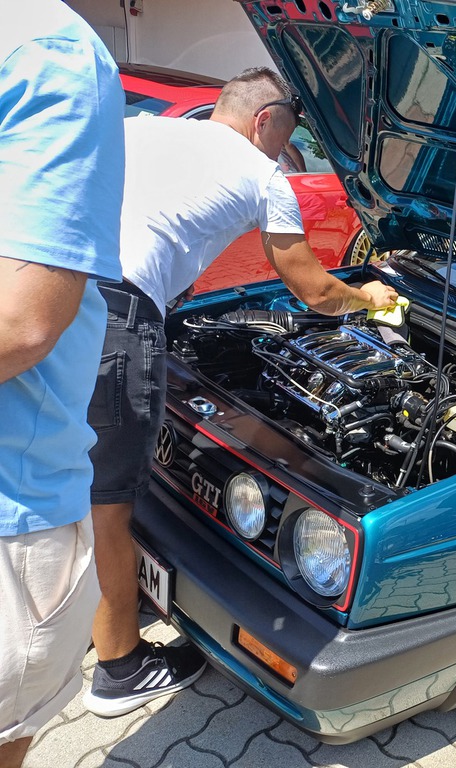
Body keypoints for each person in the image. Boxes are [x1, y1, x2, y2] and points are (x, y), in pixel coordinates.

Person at [83, 67, 398, 718]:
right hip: (117, 318)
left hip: (58, 293)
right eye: (290, 131)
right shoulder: (262, 175)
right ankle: (119, 667)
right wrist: (368, 299)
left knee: (75, 475)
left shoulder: (146, 130)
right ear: (264, 120)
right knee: (108, 502)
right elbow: (314, 290)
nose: (288, 147)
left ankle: (95, 606)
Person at [0, 4, 125, 766]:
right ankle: (121, 664)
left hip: (15, 514)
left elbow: (23, 321)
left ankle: (121, 661)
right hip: (121, 302)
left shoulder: (44, 49)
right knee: (120, 491)